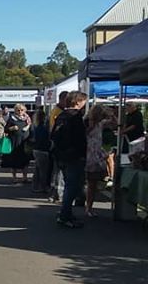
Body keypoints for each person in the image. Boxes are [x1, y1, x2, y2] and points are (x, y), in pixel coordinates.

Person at [51, 90, 88, 228]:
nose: (85, 104)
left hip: (61, 155)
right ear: (78, 101)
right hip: (74, 156)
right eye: (84, 101)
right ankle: (65, 215)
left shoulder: (61, 116)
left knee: (69, 185)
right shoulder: (75, 116)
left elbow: (54, 136)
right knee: (72, 187)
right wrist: (82, 153)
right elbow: (79, 139)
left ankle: (66, 213)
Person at [84, 104, 114, 217]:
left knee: (93, 183)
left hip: (95, 155)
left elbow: (115, 124)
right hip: (90, 155)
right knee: (91, 184)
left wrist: (111, 114)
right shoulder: (87, 123)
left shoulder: (100, 124)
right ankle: (88, 207)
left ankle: (88, 207)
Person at [1, 102, 32, 182]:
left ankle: (25, 177)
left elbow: (31, 129)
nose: (20, 111)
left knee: (25, 161)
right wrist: (12, 128)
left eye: (22, 110)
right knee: (14, 161)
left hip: (24, 142)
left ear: (25, 110)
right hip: (14, 142)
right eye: (18, 110)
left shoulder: (27, 119)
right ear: (15, 110)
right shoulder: (12, 118)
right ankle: (14, 177)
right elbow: (5, 129)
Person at [30, 108, 52, 195]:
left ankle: (35, 186)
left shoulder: (35, 126)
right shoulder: (43, 127)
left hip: (36, 149)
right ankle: (43, 187)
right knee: (43, 170)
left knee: (37, 169)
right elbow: (45, 139)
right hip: (43, 150)